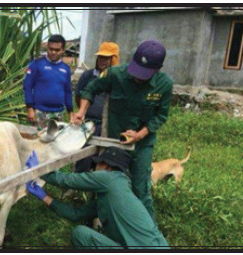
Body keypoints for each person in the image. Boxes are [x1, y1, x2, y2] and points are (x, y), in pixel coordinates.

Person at [72, 40, 173, 220]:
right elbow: (91, 89)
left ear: (157, 69)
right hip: (114, 141)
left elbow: (161, 116)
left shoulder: (164, 84)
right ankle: (100, 220)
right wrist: (81, 111)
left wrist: (140, 134)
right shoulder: (115, 74)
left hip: (142, 144)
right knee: (106, 181)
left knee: (141, 188)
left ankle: (146, 230)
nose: (137, 77)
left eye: (144, 75)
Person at [25, 147, 169, 249]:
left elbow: (67, 180)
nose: (94, 169)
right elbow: (75, 214)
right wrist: (44, 197)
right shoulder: (111, 194)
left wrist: (39, 170)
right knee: (81, 231)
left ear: (108, 167)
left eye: (97, 164)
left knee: (80, 234)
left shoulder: (109, 178)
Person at [74, 42, 120, 174]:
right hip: (89, 122)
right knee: (84, 156)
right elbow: (79, 96)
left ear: (114, 59)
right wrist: (84, 111)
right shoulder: (88, 76)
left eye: (106, 58)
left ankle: (96, 188)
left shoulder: (117, 79)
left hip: (109, 125)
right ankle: (77, 185)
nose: (102, 61)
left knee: (105, 157)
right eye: (100, 57)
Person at [23, 34, 74, 130]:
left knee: (56, 142)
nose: (53, 52)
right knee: (38, 141)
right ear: (47, 47)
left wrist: (70, 111)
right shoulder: (37, 64)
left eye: (57, 50)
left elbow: (68, 91)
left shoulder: (65, 69)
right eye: (50, 49)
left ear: (63, 50)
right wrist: (29, 108)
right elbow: (27, 86)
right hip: (40, 113)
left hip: (59, 114)